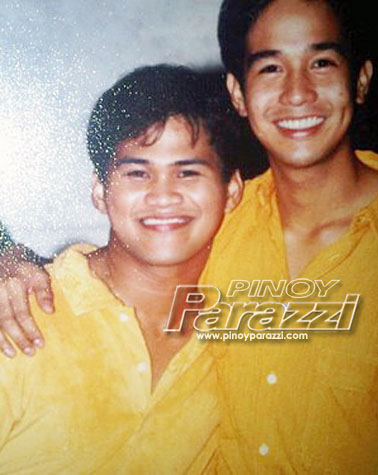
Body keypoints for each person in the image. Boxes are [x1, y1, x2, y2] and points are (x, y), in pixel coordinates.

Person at [1, 0, 378, 473]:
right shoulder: (224, 225)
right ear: (239, 92)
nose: (297, 93)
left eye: (322, 62)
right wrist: (9, 256)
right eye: (270, 67)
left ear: (361, 79)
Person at [0, 63, 242, 473]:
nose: (163, 195)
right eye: (137, 173)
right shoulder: (21, 313)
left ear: (232, 191)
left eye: (187, 172)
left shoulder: (244, 337)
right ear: (100, 191)